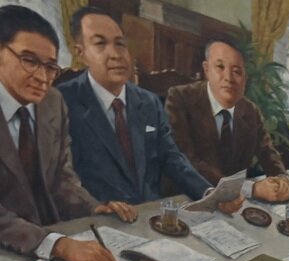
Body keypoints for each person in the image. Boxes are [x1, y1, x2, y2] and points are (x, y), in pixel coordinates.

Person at [0, 4, 135, 261]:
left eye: (50, 66)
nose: (42, 78)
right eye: (29, 61)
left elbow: (62, 180)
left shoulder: (53, 102)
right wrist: (57, 245)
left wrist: (94, 207)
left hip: (51, 245)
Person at [59, 7, 209, 206]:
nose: (116, 54)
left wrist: (207, 192)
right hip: (99, 219)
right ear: (81, 53)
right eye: (100, 44)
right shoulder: (62, 101)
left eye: (120, 44)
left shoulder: (149, 102)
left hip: (150, 215)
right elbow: (60, 179)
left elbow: (171, 158)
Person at [165, 36, 289, 203]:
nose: (229, 78)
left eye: (237, 71)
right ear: (206, 69)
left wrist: (281, 179)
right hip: (186, 199)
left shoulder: (250, 111)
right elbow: (186, 161)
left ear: (245, 78)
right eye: (220, 67)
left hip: (233, 207)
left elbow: (268, 153)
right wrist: (250, 189)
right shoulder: (180, 98)